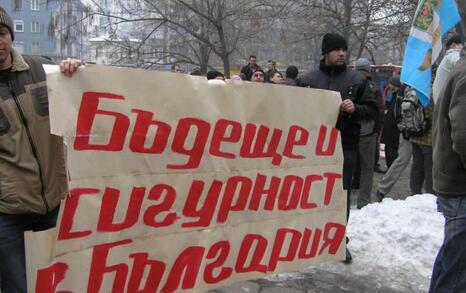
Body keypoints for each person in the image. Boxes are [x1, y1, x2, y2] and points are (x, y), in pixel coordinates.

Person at [0, 6, 80, 292]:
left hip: (53, 203)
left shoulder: (41, 69)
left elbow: (82, 92)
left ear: (10, 35)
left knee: (58, 281)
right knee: (18, 286)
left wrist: (73, 70)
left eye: (2, 33)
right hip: (8, 211)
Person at [297, 33, 377, 263]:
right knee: (310, 193)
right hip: (312, 147)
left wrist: (356, 109)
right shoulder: (307, 79)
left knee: (340, 195)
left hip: (345, 146)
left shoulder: (357, 80)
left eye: (344, 49)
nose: (341, 53)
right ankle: (307, 238)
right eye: (336, 50)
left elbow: (372, 109)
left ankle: (338, 240)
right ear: (326, 53)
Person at [429, 45, 466, 293]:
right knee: (458, 267)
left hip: (455, 181)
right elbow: (463, 135)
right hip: (460, 185)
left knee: (453, 260)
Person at [376, 78, 412, 201]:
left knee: (419, 164)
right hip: (408, 132)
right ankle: (382, 188)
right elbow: (397, 114)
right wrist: (404, 129)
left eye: (391, 85)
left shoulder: (402, 93)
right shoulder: (402, 93)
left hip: (409, 131)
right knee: (401, 160)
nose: (389, 87)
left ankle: (422, 195)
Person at [352, 58, 382, 208]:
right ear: (368, 71)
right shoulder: (374, 88)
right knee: (367, 168)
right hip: (368, 134)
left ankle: (342, 199)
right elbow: (378, 112)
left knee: (345, 165)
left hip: (350, 132)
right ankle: (363, 201)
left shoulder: (349, 84)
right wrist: (376, 131)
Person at [432, 34, 463, 103]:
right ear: (454, 45)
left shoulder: (446, 59)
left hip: (442, 103)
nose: (464, 49)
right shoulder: (453, 54)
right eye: (462, 46)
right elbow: (462, 64)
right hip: (447, 102)